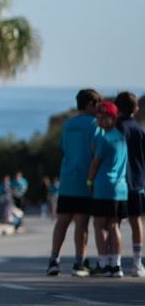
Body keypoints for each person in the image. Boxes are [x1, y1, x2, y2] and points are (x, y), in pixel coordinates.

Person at [48, 89, 101, 277]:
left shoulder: (68, 125)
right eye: (97, 104)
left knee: (62, 221)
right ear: (89, 105)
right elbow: (98, 152)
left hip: (67, 178)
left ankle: (54, 260)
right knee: (81, 223)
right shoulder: (96, 125)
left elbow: (63, 147)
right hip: (85, 180)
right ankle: (79, 263)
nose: (99, 108)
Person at [86, 100, 128, 277]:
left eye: (104, 118)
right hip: (120, 188)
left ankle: (103, 262)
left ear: (113, 118)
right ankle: (116, 264)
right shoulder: (121, 138)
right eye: (98, 117)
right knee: (114, 225)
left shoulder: (104, 138)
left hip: (104, 187)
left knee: (99, 225)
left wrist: (89, 182)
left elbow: (95, 164)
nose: (100, 121)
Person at [114, 92, 145, 277]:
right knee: (136, 222)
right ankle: (137, 262)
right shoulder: (140, 130)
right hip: (139, 182)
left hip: (119, 182)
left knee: (114, 222)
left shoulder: (117, 128)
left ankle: (114, 262)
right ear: (136, 109)